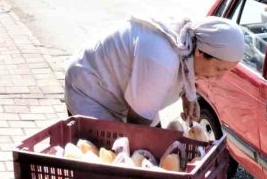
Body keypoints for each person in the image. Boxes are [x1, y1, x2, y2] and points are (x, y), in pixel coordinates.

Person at [64, 16, 244, 126]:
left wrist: (188, 96)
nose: (219, 77)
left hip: (118, 92)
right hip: (90, 91)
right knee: (105, 166)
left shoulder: (185, 43)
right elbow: (138, 123)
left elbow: (185, 70)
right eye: (220, 69)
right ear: (200, 52)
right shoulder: (161, 59)